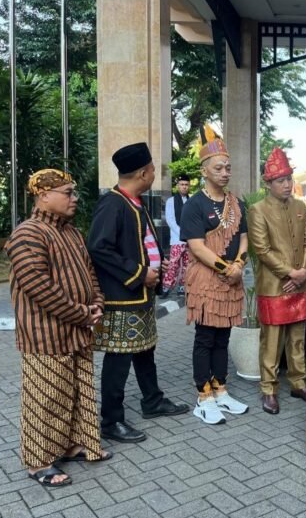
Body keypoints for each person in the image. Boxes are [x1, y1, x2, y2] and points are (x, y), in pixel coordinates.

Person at [6, 169, 113, 487]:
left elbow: (90, 273)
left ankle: (70, 446)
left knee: (76, 393)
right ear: (44, 196)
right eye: (67, 193)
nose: (74, 198)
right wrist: (82, 314)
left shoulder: (72, 232)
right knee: (46, 398)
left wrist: (97, 303)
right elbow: (40, 288)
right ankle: (38, 462)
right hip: (45, 336)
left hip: (76, 331)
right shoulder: (27, 234)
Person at [88, 142, 188, 443]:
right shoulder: (113, 203)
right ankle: (111, 420)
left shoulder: (136, 202)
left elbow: (142, 243)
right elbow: (98, 247)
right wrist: (140, 272)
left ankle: (152, 400)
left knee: (145, 350)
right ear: (143, 173)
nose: (155, 175)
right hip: (122, 297)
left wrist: (158, 261)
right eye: (153, 170)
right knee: (119, 358)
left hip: (141, 295)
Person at [180, 136, 250, 424]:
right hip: (206, 280)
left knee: (224, 337)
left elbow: (244, 239)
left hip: (231, 280)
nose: (225, 173)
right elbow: (197, 247)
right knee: (206, 337)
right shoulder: (194, 205)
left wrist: (239, 265)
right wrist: (226, 268)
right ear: (204, 171)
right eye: (219, 168)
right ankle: (204, 395)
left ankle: (221, 389)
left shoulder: (237, 203)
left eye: (228, 168)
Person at [248, 148, 306, 415]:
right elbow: (262, 250)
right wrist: (290, 273)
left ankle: (298, 382)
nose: (287, 184)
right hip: (274, 287)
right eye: (280, 180)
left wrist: (303, 272)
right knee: (272, 341)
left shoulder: (300, 206)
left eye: (289, 179)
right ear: (268, 183)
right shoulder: (258, 210)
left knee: (297, 337)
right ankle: (269, 389)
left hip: (299, 284)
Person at [162, 174, 191, 297]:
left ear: (189, 186)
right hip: (176, 239)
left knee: (187, 264)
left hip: (190, 240)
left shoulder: (191, 200)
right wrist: (182, 234)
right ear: (178, 186)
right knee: (173, 264)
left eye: (186, 185)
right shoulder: (171, 201)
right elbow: (170, 220)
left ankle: (182, 287)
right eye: (182, 184)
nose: (184, 187)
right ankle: (166, 287)